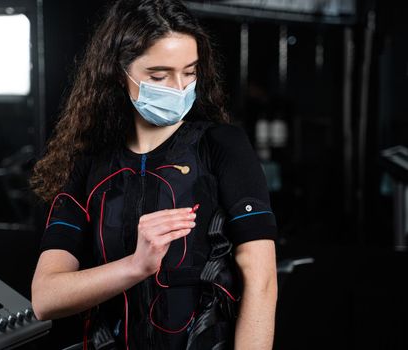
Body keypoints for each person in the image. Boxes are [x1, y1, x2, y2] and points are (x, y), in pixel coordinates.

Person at [30, 0, 277, 349]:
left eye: (190, 72)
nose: (178, 88)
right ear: (120, 72)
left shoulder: (222, 146)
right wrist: (137, 265)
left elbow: (262, 280)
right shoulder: (87, 162)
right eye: (159, 76)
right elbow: (46, 298)